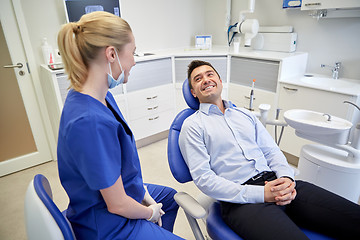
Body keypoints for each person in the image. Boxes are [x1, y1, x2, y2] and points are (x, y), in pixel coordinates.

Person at [179, 60, 360, 240]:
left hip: (277, 182)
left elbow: (272, 151)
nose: (206, 79)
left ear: (220, 81)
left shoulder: (245, 115)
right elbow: (204, 179)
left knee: (353, 217)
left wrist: (286, 179)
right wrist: (261, 194)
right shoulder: (193, 126)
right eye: (198, 78)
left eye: (210, 74)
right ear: (193, 92)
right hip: (242, 201)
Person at [57, 12, 183, 240]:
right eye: (132, 52)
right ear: (112, 54)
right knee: (158, 210)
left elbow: (117, 164)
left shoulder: (99, 96)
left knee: (169, 198)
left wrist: (141, 190)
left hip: (119, 194)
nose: (134, 60)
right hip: (108, 224)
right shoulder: (89, 122)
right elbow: (117, 205)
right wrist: (148, 212)